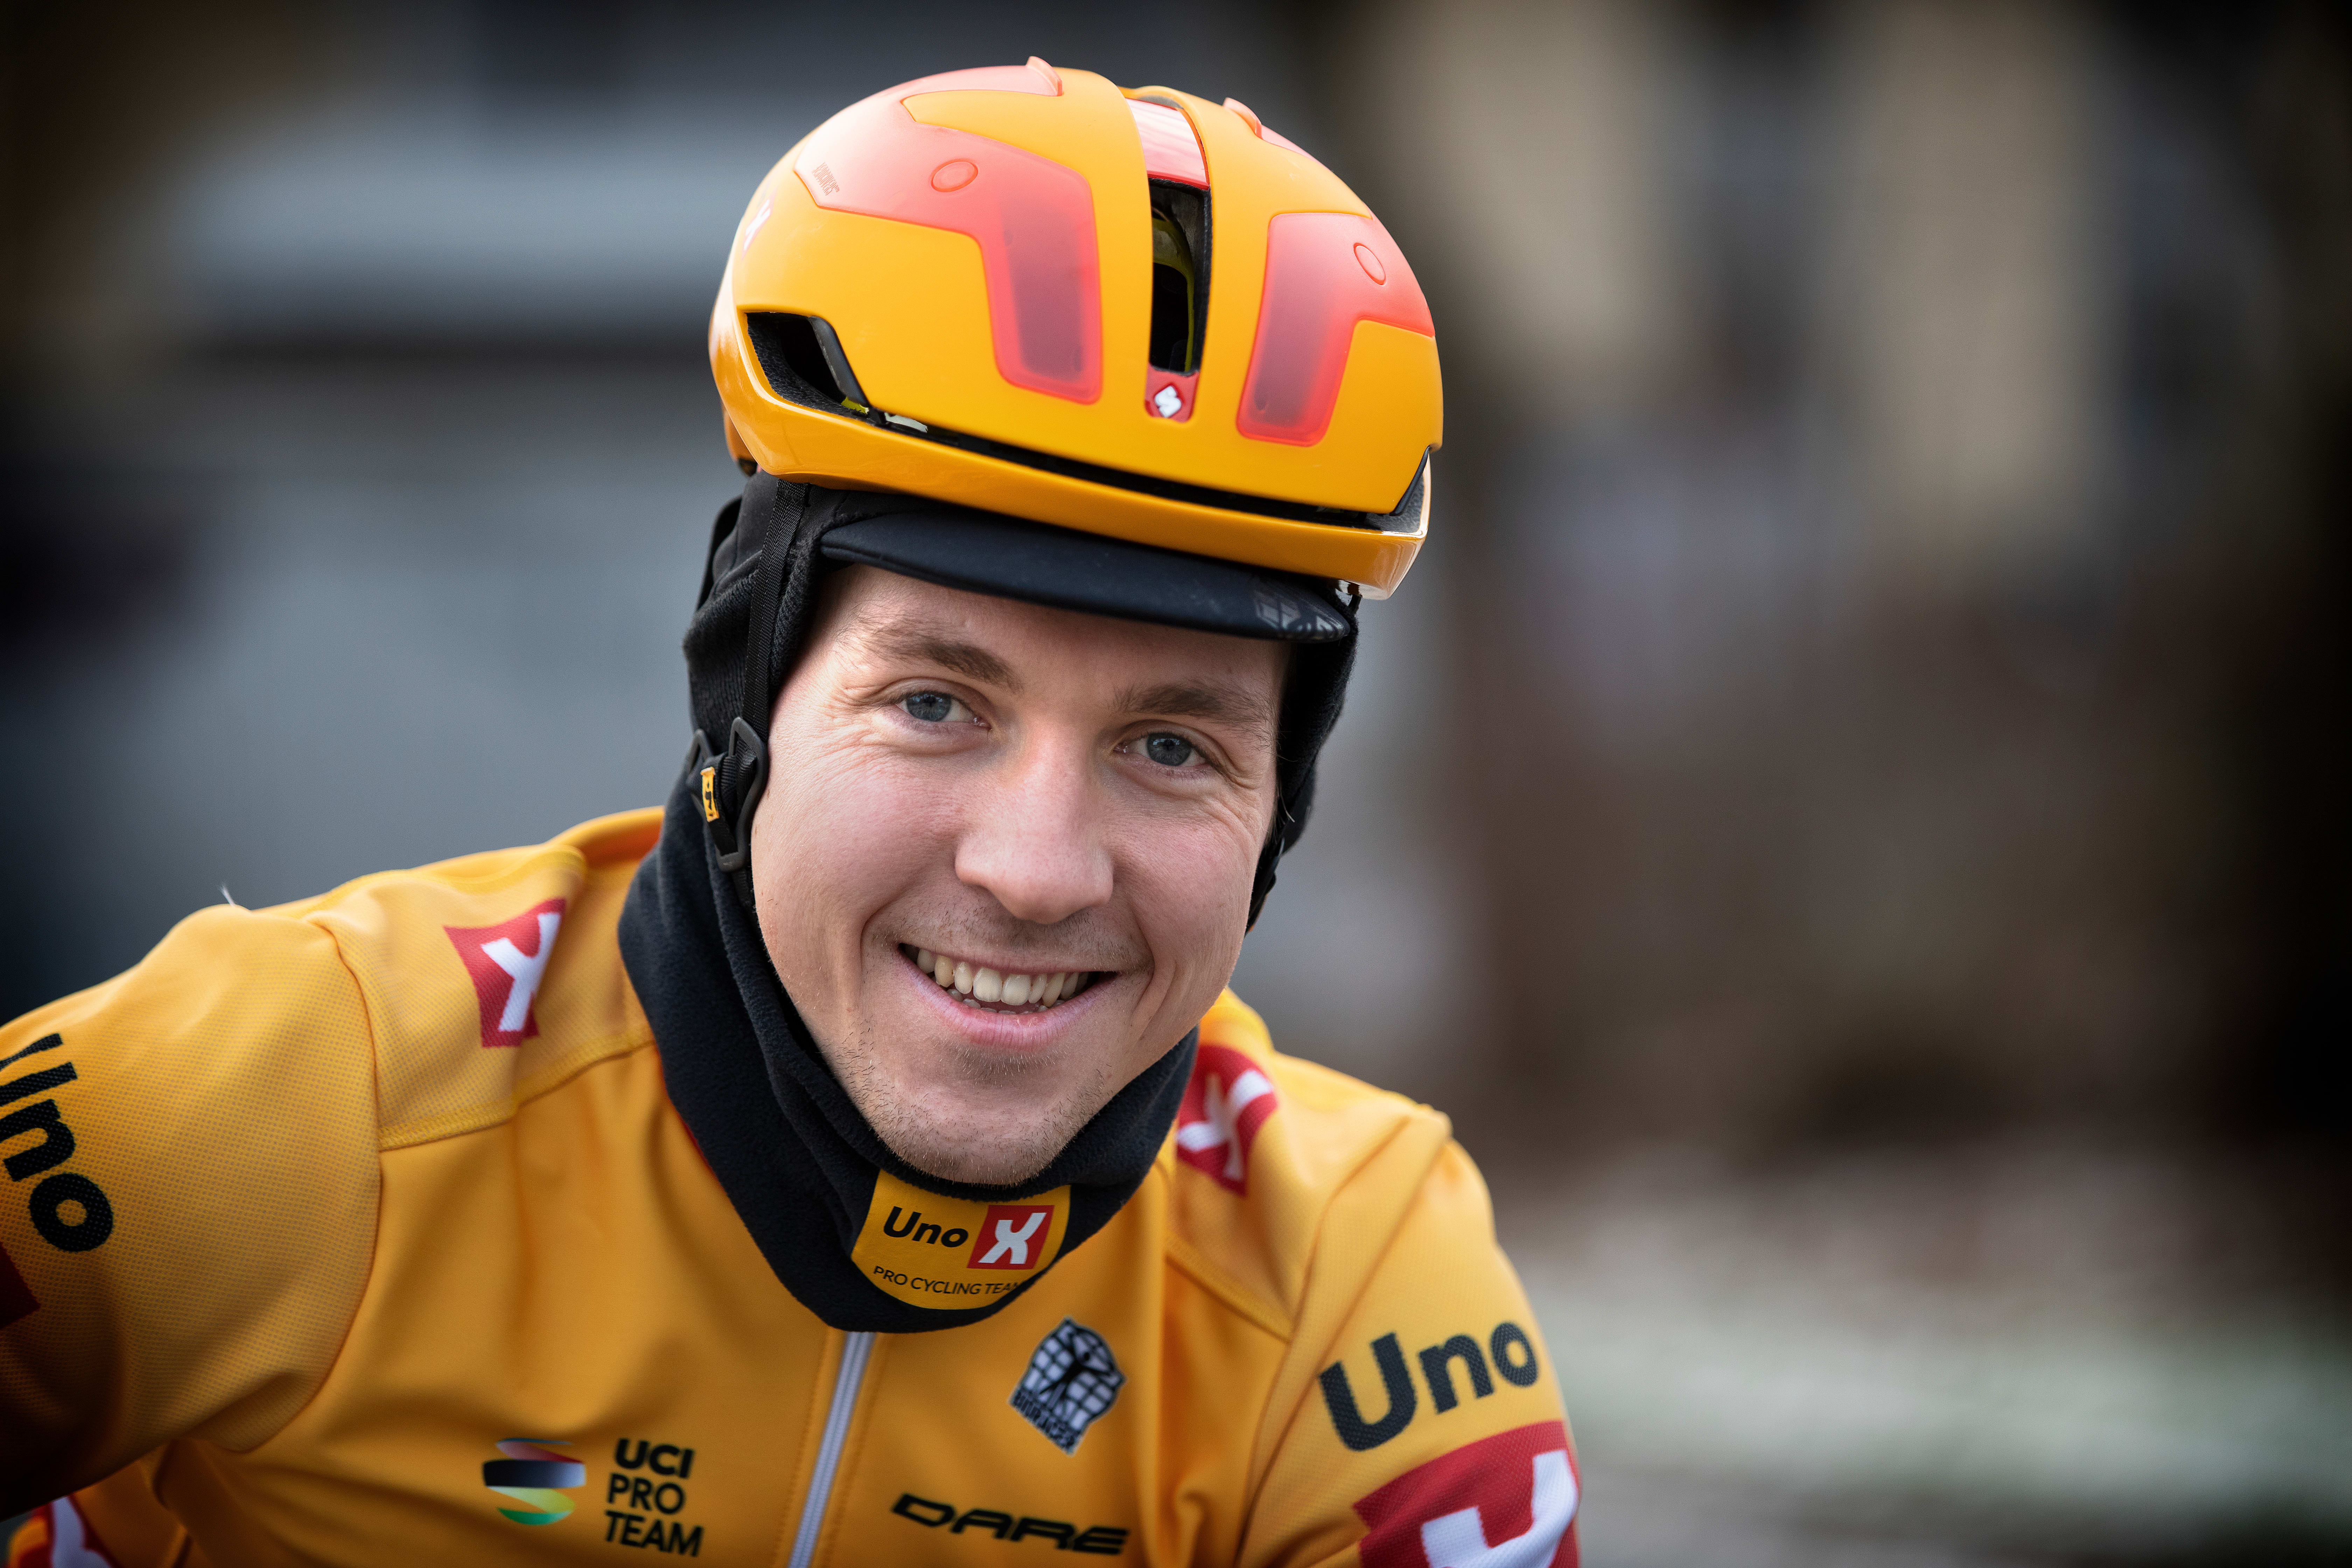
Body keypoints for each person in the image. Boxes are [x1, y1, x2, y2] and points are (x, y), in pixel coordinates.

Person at [1, 61, 1577, 1568]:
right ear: (741, 700)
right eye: (936, 704)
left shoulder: (1350, 1270)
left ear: (1280, 806)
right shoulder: (301, 1093)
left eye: (1171, 747)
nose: (1035, 872)